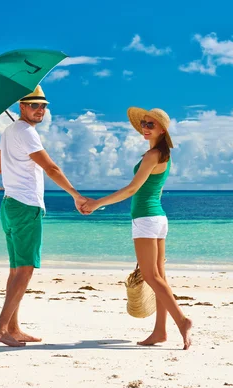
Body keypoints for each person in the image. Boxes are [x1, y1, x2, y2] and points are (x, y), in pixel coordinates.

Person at [81, 107, 192, 350]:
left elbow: (132, 189)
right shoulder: (162, 155)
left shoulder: (153, 155)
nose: (145, 126)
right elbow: (153, 190)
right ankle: (160, 331)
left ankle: (182, 321)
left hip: (146, 219)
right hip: (158, 218)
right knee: (159, 277)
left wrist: (97, 203)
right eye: (144, 123)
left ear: (162, 129)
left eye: (151, 124)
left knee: (151, 276)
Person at [0, 85, 88, 347]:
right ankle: (0, 328)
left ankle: (13, 328)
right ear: (21, 107)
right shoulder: (26, 133)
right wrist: (76, 195)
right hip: (25, 206)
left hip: (9, 204)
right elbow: (51, 167)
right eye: (34, 105)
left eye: (43, 105)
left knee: (15, 270)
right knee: (25, 269)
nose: (40, 110)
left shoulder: (9, 131)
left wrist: (20, 157)